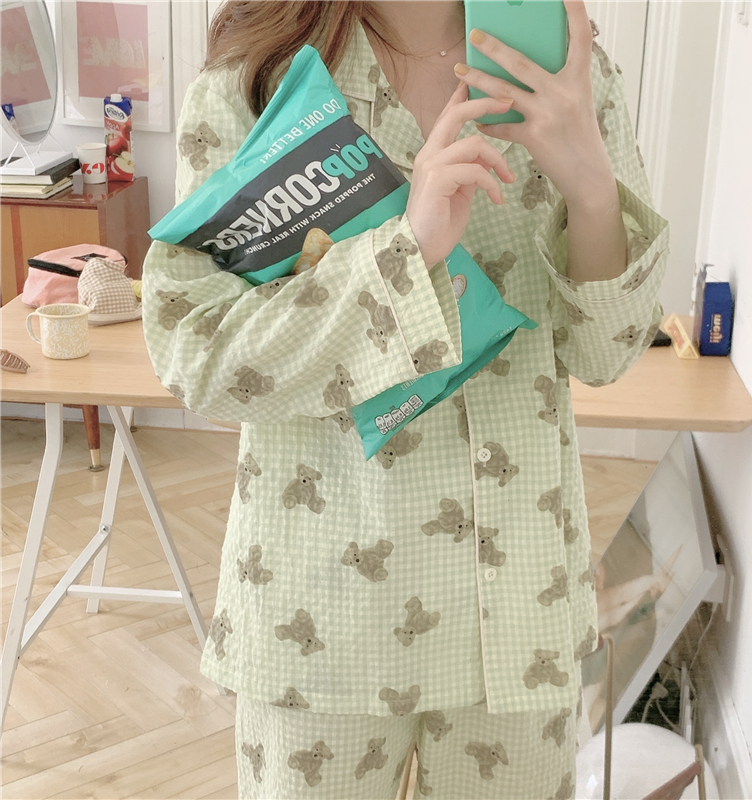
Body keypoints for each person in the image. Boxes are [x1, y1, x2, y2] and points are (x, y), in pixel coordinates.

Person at [141, 1, 669, 798]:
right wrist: (405, 253)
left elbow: (607, 354)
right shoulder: (257, 77)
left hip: (518, 616)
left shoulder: (568, 67)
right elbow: (196, 351)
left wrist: (592, 190)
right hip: (323, 620)